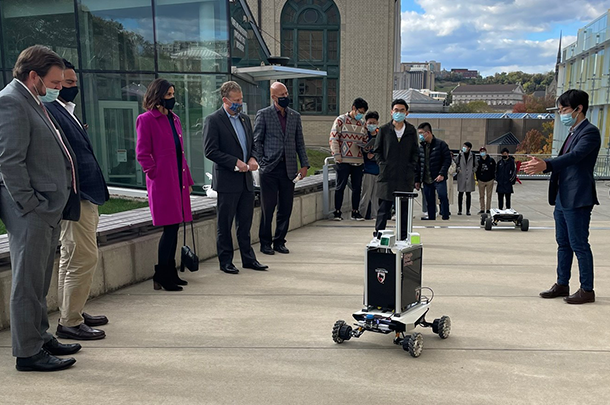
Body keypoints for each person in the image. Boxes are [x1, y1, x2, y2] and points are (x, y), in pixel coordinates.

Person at [0, 45, 81, 372]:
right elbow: (9, 160)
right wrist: (31, 205)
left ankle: (40, 336)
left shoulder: (31, 99)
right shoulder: (11, 102)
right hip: (31, 211)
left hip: (45, 209)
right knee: (27, 283)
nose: (58, 89)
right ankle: (28, 352)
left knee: (39, 279)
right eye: (55, 83)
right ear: (34, 76)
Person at [45, 59, 109, 340]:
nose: (71, 88)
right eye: (65, 83)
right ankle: (70, 321)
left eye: (72, 83)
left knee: (72, 257)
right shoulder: (49, 111)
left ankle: (72, 313)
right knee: (82, 258)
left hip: (86, 193)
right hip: (76, 196)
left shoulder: (65, 111)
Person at [523, 89, 600, 305]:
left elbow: (574, 157)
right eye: (559, 109)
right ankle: (562, 283)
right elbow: (564, 158)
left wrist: (546, 165)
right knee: (563, 243)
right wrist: (545, 163)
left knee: (579, 244)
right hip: (563, 196)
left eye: (564, 109)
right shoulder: (573, 132)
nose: (562, 113)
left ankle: (587, 289)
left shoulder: (590, 132)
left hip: (578, 197)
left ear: (579, 109)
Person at [203, 81, 267, 274]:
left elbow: (253, 144)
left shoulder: (245, 119)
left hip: (246, 180)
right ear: (225, 100)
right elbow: (210, 150)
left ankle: (248, 258)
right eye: (236, 100)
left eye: (241, 99)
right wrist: (234, 162)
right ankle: (226, 261)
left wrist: (253, 157)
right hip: (227, 180)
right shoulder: (213, 120)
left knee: (245, 223)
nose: (240, 103)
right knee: (225, 223)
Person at [136, 78, 195, 291]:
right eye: (169, 95)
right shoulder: (146, 120)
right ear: (158, 96)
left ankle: (170, 271)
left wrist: (187, 180)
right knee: (169, 229)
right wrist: (155, 173)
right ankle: (162, 273)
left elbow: (180, 154)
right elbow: (142, 153)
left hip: (177, 182)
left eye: (173, 94)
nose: (172, 99)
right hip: (162, 183)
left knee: (175, 228)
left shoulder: (174, 119)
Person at [253, 82, 309, 255]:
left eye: (286, 93)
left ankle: (279, 241)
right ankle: (265, 243)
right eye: (281, 95)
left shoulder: (294, 116)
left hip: (289, 169)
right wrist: (262, 162)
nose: (285, 97)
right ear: (273, 97)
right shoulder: (263, 115)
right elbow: (257, 141)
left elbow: (299, 142)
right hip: (270, 169)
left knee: (285, 208)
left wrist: (304, 164)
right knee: (268, 208)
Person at [374, 99, 419, 237]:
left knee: (404, 209)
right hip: (387, 175)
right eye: (396, 110)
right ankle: (379, 235)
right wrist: (382, 164)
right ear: (391, 112)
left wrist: (411, 166)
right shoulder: (384, 130)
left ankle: (403, 235)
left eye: (402, 110)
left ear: (407, 113)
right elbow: (377, 151)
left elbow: (415, 152)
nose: (398, 113)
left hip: (405, 176)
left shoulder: (411, 131)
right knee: (384, 208)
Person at [329, 97, 368, 221]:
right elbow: (334, 138)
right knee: (340, 186)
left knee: (357, 188)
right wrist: (337, 154)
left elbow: (365, 140)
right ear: (353, 108)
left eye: (363, 113)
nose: (360, 115)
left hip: (358, 160)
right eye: (360, 112)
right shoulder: (340, 120)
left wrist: (366, 147)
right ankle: (337, 211)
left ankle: (355, 212)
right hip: (343, 160)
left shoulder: (362, 124)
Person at [415, 122, 451, 220]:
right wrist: (417, 180)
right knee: (429, 199)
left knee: (442, 196)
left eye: (422, 133)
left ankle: (445, 216)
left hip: (438, 176)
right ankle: (431, 218)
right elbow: (418, 164)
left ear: (429, 132)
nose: (420, 136)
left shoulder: (441, 144)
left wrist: (442, 173)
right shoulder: (421, 147)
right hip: (426, 178)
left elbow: (447, 160)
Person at [358, 111, 380, 219]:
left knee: (376, 195)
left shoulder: (380, 135)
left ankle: (375, 215)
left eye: (374, 122)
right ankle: (362, 214)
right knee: (366, 194)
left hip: (378, 169)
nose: (372, 125)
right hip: (367, 169)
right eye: (369, 122)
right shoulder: (364, 136)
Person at [456, 141, 476, 215]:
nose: (464, 148)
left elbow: (476, 165)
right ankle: (460, 210)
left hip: (469, 176)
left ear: (469, 148)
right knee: (460, 194)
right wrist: (458, 169)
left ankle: (468, 210)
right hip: (462, 176)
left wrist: (473, 171)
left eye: (465, 146)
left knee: (468, 194)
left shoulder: (473, 156)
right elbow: (456, 162)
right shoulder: (460, 155)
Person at [475, 147, 496, 214]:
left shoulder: (491, 160)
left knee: (489, 196)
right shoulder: (478, 161)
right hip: (481, 180)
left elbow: (494, 169)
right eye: (481, 151)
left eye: (483, 151)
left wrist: (493, 177)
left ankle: (488, 209)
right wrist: (477, 178)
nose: (482, 152)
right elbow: (476, 170)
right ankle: (482, 209)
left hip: (490, 180)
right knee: (481, 196)